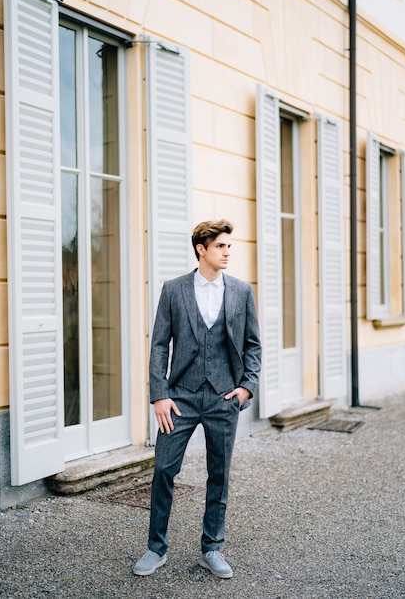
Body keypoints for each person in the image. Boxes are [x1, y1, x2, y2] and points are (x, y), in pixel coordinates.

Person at [133, 219, 261, 579]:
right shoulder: (173, 290)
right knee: (163, 469)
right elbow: (159, 344)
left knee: (218, 474)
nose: (227, 252)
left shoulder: (241, 291)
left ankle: (212, 548)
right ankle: (155, 547)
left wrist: (247, 387)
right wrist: (159, 394)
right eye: (221, 246)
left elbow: (253, 344)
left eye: (229, 246)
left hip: (224, 397)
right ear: (201, 250)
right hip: (180, 399)